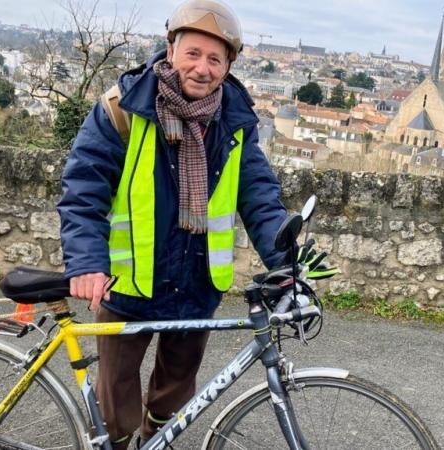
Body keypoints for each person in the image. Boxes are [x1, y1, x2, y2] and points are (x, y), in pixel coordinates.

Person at [57, 1, 289, 447]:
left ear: (229, 65)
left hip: (196, 282)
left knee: (175, 394)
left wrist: (291, 260)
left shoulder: (235, 123)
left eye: (215, 58)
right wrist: (86, 261)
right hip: (131, 283)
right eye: (193, 54)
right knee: (116, 397)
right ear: (170, 49)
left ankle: (155, 441)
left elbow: (260, 197)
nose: (203, 68)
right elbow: (83, 187)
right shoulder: (123, 109)